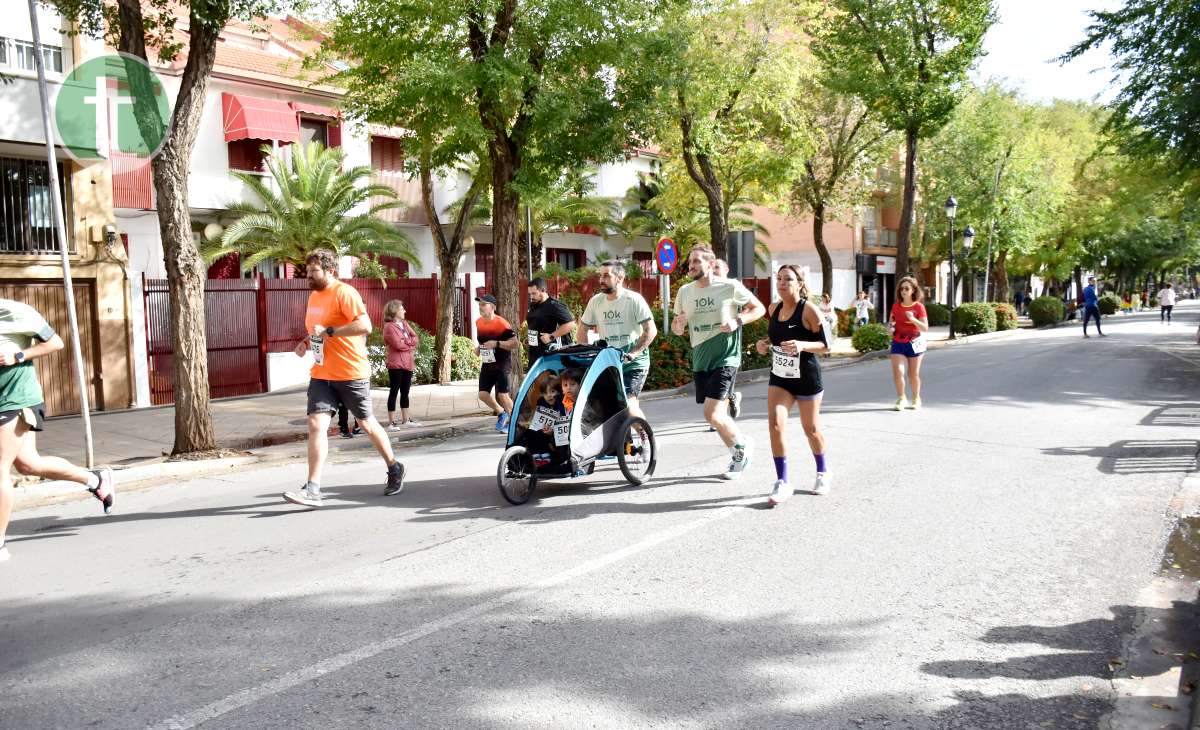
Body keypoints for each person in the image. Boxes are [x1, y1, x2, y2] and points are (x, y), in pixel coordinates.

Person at [282, 249, 406, 508]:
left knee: (367, 423)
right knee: (316, 425)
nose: (309, 276)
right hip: (322, 373)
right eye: (308, 271)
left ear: (331, 271)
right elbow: (316, 330)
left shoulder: (345, 293)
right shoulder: (314, 296)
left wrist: (330, 331)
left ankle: (394, 467)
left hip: (351, 372)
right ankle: (313, 487)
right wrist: (306, 342)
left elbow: (365, 326)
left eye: (315, 271)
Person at [0, 299, 116, 563]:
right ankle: (96, 480)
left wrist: (17, 355)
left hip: (17, 398)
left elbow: (55, 343)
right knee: (29, 465)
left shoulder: (15, 312)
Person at [672, 244, 766, 480]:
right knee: (718, 413)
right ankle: (739, 447)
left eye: (696, 261)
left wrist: (739, 320)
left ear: (710, 264)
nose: (691, 266)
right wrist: (679, 325)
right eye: (690, 262)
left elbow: (759, 308)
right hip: (701, 357)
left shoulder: (729, 286)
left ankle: (741, 449)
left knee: (712, 414)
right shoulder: (685, 291)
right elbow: (676, 329)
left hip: (726, 356)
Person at [755, 265, 830, 506]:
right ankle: (783, 481)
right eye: (778, 279)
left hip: (806, 377)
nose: (781, 283)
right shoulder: (773, 308)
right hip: (781, 376)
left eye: (788, 279)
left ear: (799, 283)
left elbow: (825, 344)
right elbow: (776, 338)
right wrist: (764, 344)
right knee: (775, 425)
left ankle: (823, 472)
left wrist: (802, 344)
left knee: (812, 429)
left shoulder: (809, 310)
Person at [578, 261, 657, 419]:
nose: (601, 279)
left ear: (620, 278)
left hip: (633, 362)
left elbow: (651, 330)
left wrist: (634, 353)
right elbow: (582, 330)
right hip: (609, 361)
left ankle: (646, 438)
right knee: (610, 408)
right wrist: (587, 354)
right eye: (600, 275)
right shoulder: (596, 301)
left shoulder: (634, 299)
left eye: (606, 275)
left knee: (628, 404)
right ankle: (626, 442)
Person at [474, 294, 518, 433]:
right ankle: (501, 413)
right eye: (479, 304)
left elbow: (515, 343)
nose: (480, 307)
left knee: (503, 396)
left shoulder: (502, 323)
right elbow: (483, 340)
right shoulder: (478, 322)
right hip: (488, 363)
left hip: (502, 363)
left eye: (483, 304)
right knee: (482, 395)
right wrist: (478, 348)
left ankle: (516, 423)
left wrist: (497, 343)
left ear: (492, 307)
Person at [888, 275, 929, 410]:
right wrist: (890, 328)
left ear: (913, 290)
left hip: (915, 342)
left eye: (906, 288)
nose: (903, 291)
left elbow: (925, 327)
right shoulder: (896, 307)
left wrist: (912, 319)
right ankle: (901, 398)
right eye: (901, 289)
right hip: (898, 341)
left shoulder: (919, 307)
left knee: (913, 374)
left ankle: (916, 398)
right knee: (898, 372)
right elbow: (891, 323)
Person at [712, 258, 743, 419]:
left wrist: (736, 321)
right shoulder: (706, 289)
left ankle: (718, 416)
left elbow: (750, 310)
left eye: (717, 267)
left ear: (727, 269)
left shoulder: (733, 287)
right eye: (711, 267)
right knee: (714, 384)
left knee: (722, 382)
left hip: (729, 344)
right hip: (709, 346)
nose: (714, 270)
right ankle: (732, 397)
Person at [382, 299, 419, 430]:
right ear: (394, 311)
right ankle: (391, 423)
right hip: (396, 363)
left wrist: (406, 341)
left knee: (405, 392)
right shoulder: (389, 327)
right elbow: (397, 344)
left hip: (408, 361)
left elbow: (416, 338)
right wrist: (409, 344)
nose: (404, 311)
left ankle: (405, 419)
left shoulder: (404, 323)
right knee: (394, 391)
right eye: (402, 309)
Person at [525, 278, 575, 367]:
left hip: (552, 355)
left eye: (534, 293)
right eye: (530, 294)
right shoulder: (534, 305)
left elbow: (570, 324)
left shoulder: (554, 305)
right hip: (535, 355)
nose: (531, 297)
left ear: (543, 290)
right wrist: (530, 338)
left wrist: (551, 336)